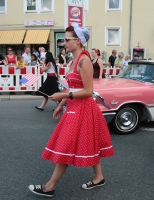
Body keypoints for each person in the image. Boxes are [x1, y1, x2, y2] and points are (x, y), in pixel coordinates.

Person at [28, 23, 115, 198]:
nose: (64, 42)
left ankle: (50, 186)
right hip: (74, 108)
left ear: (79, 41)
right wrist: (61, 104)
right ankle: (99, 176)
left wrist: (61, 96)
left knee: (66, 146)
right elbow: (73, 88)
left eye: (67, 39)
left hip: (83, 109)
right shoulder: (73, 61)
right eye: (64, 39)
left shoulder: (84, 61)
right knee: (90, 144)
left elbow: (89, 92)